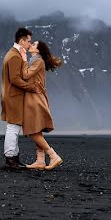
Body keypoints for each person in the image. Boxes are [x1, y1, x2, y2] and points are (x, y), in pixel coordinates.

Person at [21, 40, 64, 170]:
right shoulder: (35, 60)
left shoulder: (38, 61)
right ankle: (40, 161)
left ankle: (53, 156)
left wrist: (23, 59)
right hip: (34, 98)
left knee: (32, 130)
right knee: (37, 129)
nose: (31, 45)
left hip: (35, 99)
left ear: (38, 50)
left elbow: (25, 74)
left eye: (33, 45)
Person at [0, 27, 39, 169]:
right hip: (13, 97)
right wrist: (32, 88)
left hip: (11, 96)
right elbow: (15, 79)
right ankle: (10, 159)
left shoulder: (15, 54)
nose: (30, 44)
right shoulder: (15, 56)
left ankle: (14, 158)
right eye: (28, 41)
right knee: (13, 127)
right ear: (21, 41)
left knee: (14, 127)